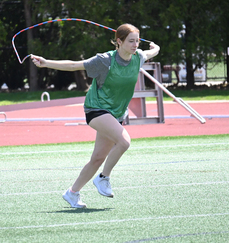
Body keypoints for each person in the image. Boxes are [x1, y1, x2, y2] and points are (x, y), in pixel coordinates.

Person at [31, 23, 160, 208]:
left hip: (115, 113)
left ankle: (72, 192)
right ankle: (103, 178)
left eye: (137, 41)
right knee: (124, 141)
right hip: (96, 109)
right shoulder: (105, 60)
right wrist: (46, 63)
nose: (135, 45)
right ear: (119, 41)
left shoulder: (138, 57)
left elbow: (150, 53)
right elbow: (75, 65)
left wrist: (156, 48)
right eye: (131, 41)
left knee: (98, 158)